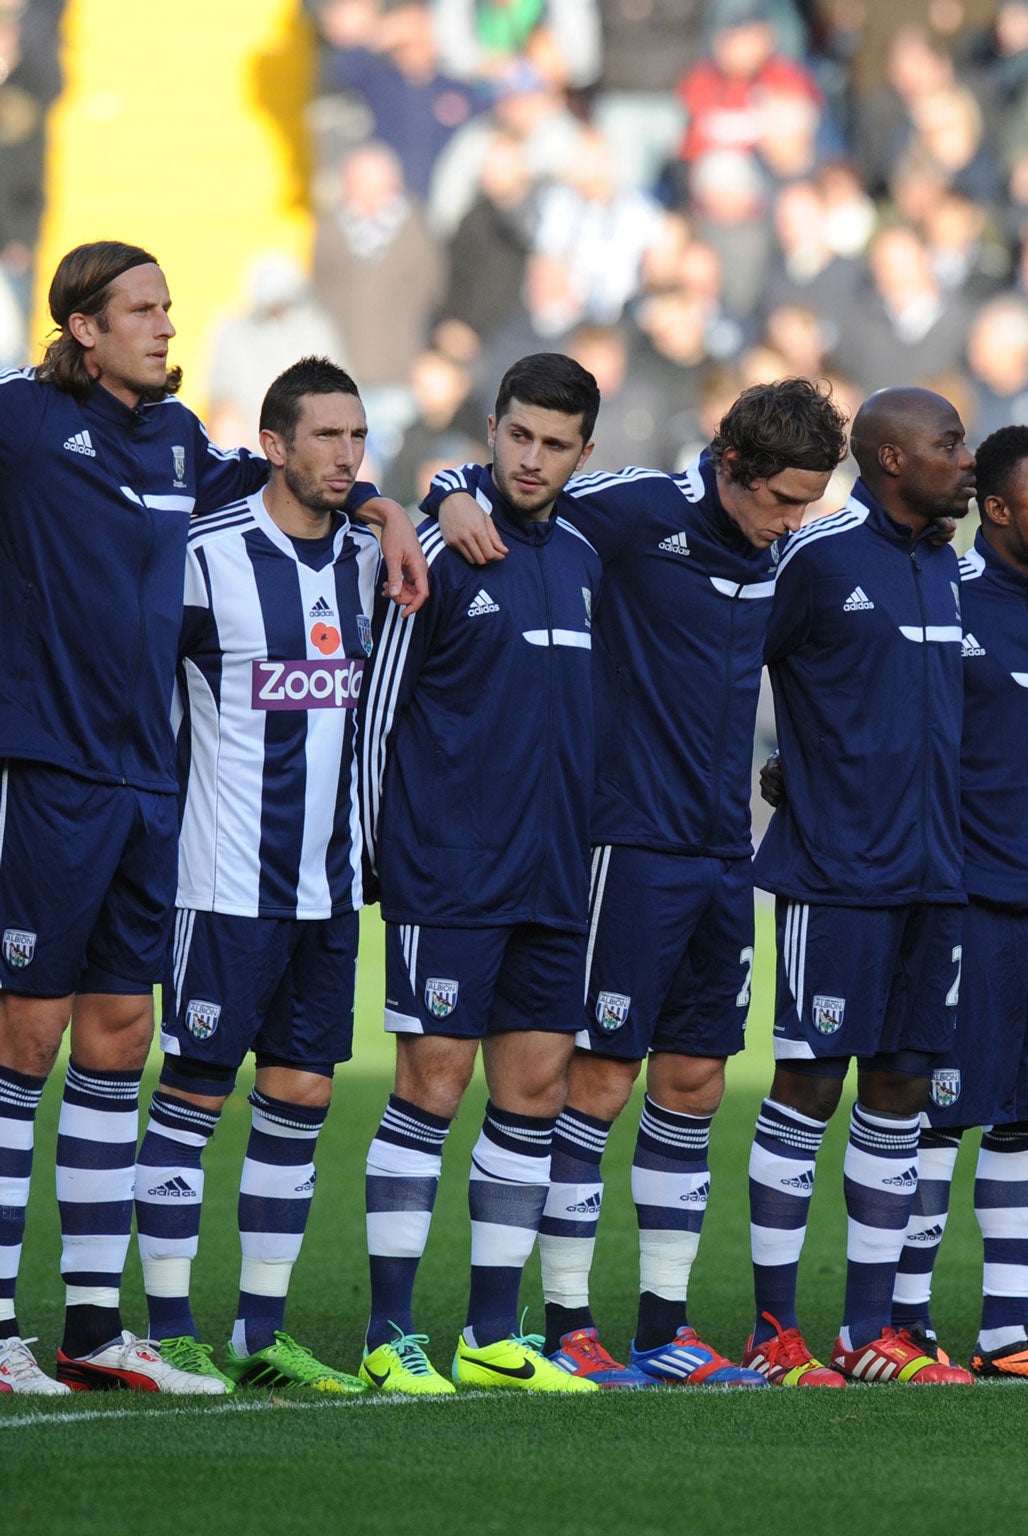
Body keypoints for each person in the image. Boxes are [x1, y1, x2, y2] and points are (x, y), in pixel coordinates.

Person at [0, 241, 422, 1397]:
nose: (165, 324)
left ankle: (90, 1328)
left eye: (169, 306)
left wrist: (383, 505)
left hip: (149, 787)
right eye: (141, 309)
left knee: (115, 1044)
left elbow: (295, 473)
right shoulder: (24, 420)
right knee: (21, 1043)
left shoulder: (185, 445)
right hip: (46, 767)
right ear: (81, 326)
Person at [425, 378, 846, 1387]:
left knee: (694, 1083)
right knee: (599, 1080)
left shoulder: (784, 548)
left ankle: (665, 1327)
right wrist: (443, 491)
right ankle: (566, 1320)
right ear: (731, 468)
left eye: (806, 503)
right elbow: (502, 489)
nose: (792, 521)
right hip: (621, 843)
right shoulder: (634, 510)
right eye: (780, 499)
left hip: (721, 850)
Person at [353, 353, 605, 1395]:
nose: (532, 459)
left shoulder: (591, 557)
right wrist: (372, 859)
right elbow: (378, 714)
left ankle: (493, 1339)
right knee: (433, 1084)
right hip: (446, 871)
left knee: (534, 1091)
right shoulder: (441, 551)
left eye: (555, 444)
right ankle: (385, 1333)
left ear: (583, 452)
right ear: (491, 428)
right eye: (518, 437)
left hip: (553, 872)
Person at [131, 358, 382, 1396]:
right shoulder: (205, 558)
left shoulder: (373, 563)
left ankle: (259, 1333)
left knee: (302, 1094)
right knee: (192, 1092)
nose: (345, 455)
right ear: (273, 446)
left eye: (356, 437)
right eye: (324, 436)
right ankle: (171, 1328)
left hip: (327, 890)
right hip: (221, 881)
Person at [740, 386, 976, 1388]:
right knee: (805, 1086)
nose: (965, 460)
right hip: (836, 876)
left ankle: (868, 1332)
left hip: (936, 876)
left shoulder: (958, 573)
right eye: (947, 444)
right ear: (887, 460)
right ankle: (772, 1333)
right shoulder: (817, 557)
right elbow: (719, 661)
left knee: (900, 1093)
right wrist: (777, 763)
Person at [882, 425, 1028, 1382]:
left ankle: (1008, 1331)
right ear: (998, 510)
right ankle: (906, 1324)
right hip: (962, 905)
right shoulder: (946, 599)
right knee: (935, 1118)